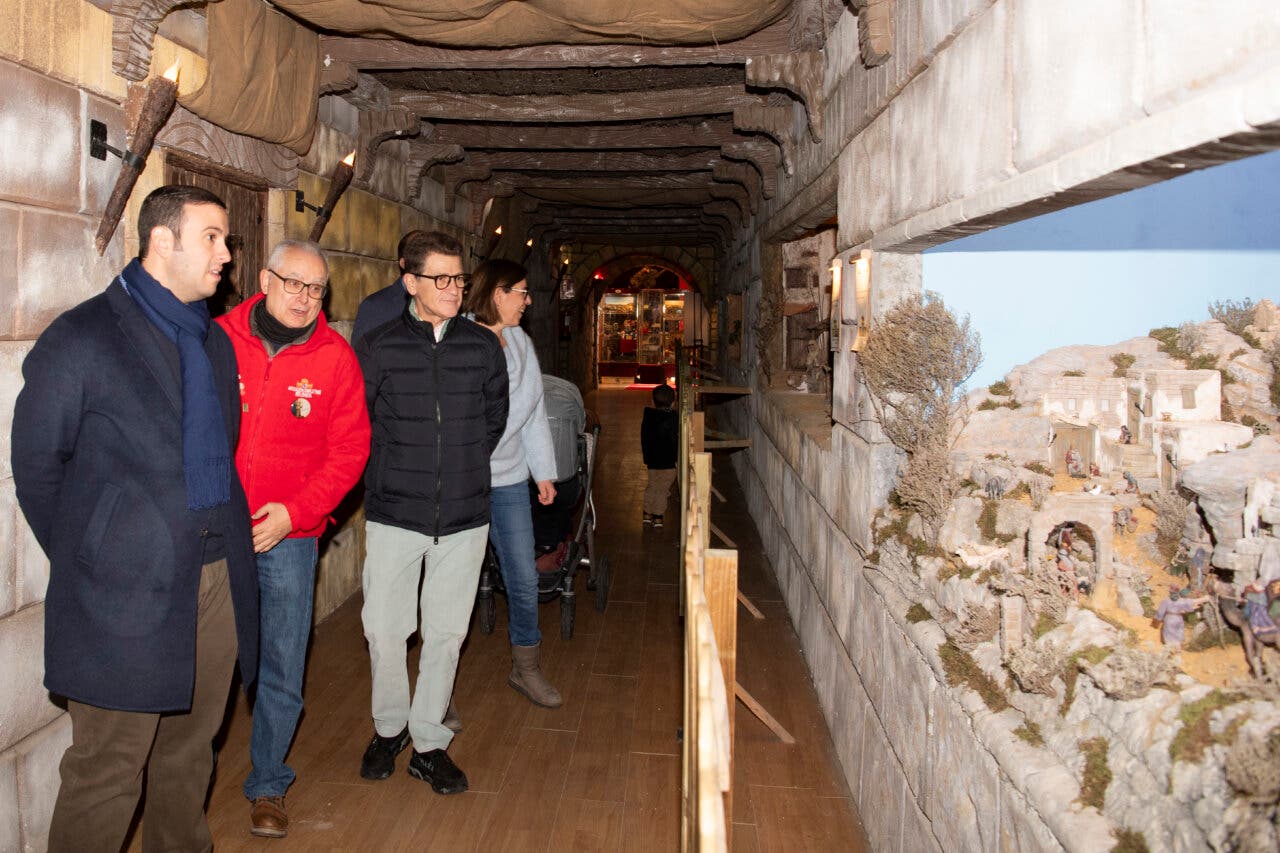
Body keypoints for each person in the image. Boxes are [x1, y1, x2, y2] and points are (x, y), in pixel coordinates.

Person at [11, 185, 259, 852]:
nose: (225, 254)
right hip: (124, 595)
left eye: (226, 239)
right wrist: (99, 550)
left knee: (189, 753)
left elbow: (223, 448)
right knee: (108, 771)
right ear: (162, 241)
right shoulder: (85, 336)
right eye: (210, 237)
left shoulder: (214, 344)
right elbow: (37, 464)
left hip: (212, 581)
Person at [216, 240, 370, 837]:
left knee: (281, 660)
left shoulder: (335, 358)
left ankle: (269, 784)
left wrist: (295, 513)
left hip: (289, 536)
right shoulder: (219, 339)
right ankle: (189, 775)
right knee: (207, 661)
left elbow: (351, 451)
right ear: (263, 279)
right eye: (293, 284)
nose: (306, 298)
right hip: (215, 532)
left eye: (316, 289)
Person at [355, 230, 508, 795]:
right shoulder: (379, 345)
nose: (453, 289)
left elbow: (493, 421)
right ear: (410, 281)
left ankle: (427, 742)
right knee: (385, 630)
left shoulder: (483, 347)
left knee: (445, 633)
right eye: (440, 279)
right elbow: (362, 426)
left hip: (466, 514)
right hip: (396, 511)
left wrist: (461, 465)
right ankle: (389, 728)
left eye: (459, 278)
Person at [463, 259, 563, 708]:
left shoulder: (522, 343)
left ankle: (526, 667)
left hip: (507, 481)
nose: (527, 301)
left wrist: (543, 471)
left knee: (523, 576)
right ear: (497, 294)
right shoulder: (460, 340)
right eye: (521, 292)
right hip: (463, 482)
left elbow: (534, 413)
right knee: (457, 584)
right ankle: (439, 687)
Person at [353, 229, 429, 345]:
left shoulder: (443, 301)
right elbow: (361, 357)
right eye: (419, 255)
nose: (427, 261)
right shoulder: (375, 307)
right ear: (403, 263)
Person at [641, 383, 679, 528]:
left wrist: (647, 457)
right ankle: (658, 517)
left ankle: (647, 514)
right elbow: (674, 439)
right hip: (668, 462)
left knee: (652, 486)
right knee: (663, 490)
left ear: (652, 401)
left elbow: (644, 437)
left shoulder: (648, 416)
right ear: (673, 402)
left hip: (652, 461)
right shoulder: (674, 418)